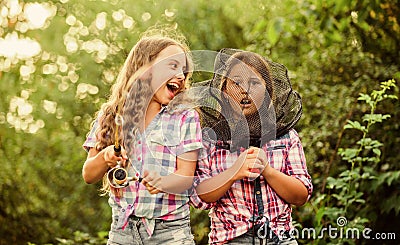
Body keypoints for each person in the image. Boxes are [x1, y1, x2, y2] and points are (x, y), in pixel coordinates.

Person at [82, 27, 203, 244]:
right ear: (143, 69)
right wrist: (105, 157)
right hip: (122, 231)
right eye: (172, 66)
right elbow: (89, 174)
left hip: (170, 233)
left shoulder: (185, 117)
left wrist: (164, 182)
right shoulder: (111, 115)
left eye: (183, 71)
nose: (180, 76)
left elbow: (186, 176)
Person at [191, 49, 313, 245]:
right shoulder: (210, 138)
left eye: (255, 83)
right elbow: (200, 199)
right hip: (230, 240)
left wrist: (268, 171)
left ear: (267, 91)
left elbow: (301, 196)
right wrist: (234, 172)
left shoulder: (286, 136)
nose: (245, 90)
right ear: (223, 90)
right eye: (236, 83)